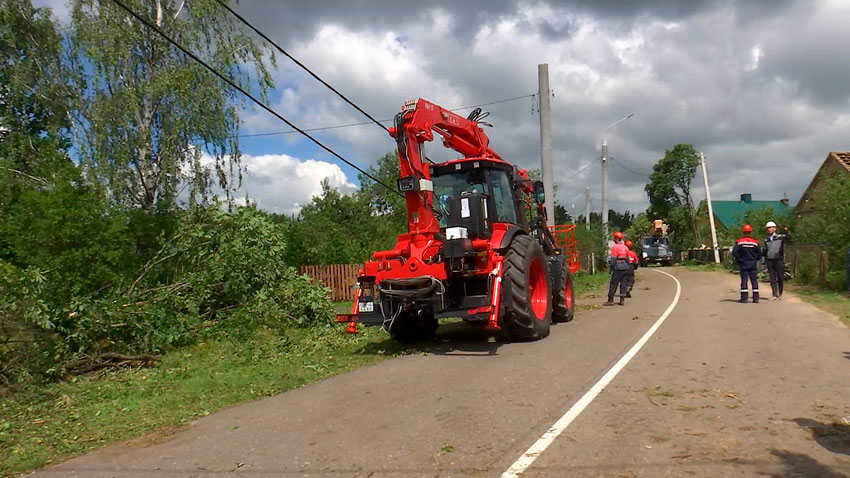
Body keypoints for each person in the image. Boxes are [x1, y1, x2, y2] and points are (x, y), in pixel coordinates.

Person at [732, 224, 762, 303]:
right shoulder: (755, 242)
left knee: (744, 280)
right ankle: (756, 298)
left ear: (743, 232)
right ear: (750, 232)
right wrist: (755, 259)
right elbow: (759, 253)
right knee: (754, 281)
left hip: (744, 264)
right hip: (752, 264)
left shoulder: (739, 242)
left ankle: (744, 298)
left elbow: (735, 252)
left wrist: (740, 259)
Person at [762, 221, 791, 300]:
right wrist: (763, 262)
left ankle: (780, 294)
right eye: (767, 228)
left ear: (774, 229)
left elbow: (789, 237)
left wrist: (786, 230)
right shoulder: (766, 239)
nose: (769, 230)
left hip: (779, 260)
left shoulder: (780, 237)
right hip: (770, 260)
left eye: (770, 228)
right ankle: (774, 294)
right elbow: (764, 251)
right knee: (772, 278)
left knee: (780, 277)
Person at [605, 231, 631, 306]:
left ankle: (611, 299)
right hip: (625, 267)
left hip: (617, 266)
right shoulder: (625, 247)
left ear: (616, 239)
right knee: (623, 283)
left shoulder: (615, 247)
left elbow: (613, 259)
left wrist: (611, 268)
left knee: (613, 283)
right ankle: (622, 300)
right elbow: (627, 259)